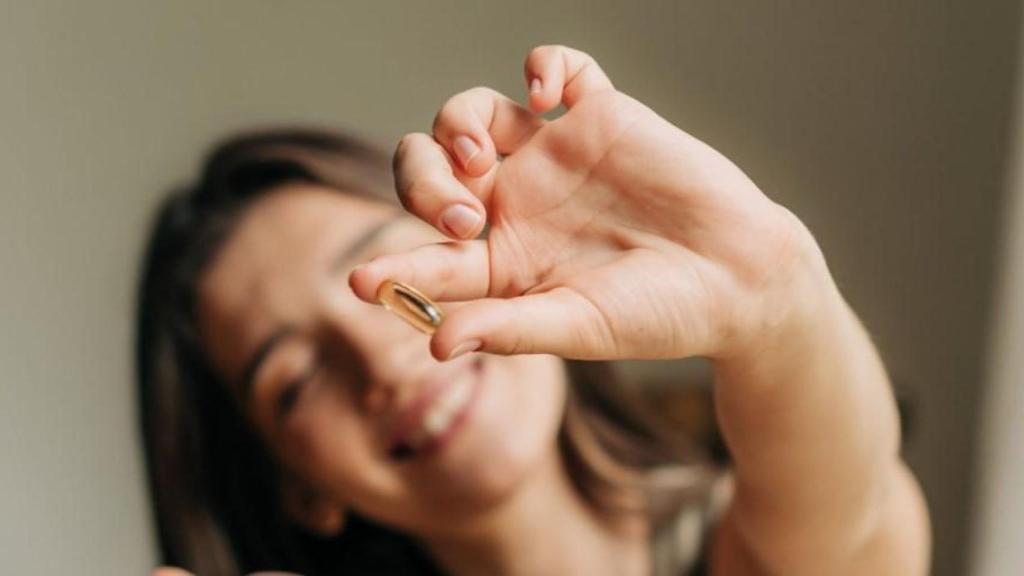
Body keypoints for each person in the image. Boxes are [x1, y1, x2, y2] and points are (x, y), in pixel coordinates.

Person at [138, 45, 929, 575]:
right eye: (295, 381)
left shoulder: (745, 540)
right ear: (299, 489)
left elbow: (855, 522)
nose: (378, 360)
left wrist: (770, 285)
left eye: (390, 278)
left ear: (480, 232)